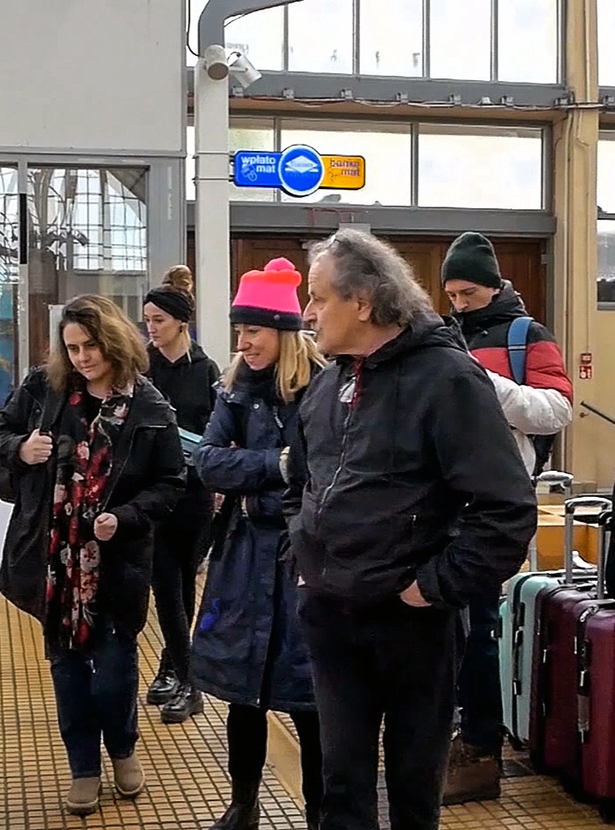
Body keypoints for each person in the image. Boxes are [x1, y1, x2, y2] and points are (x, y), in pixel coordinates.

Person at [283, 229, 537, 829]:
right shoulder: (327, 386)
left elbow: (505, 509)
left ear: (364, 302)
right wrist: (304, 550)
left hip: (413, 620)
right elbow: (301, 480)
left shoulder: (447, 380)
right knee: (341, 783)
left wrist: (434, 585)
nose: (307, 313)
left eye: (318, 297)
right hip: (331, 615)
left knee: (412, 785)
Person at [0, 294, 185, 816]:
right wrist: (20, 449)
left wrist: (126, 517)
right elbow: (2, 433)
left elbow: (171, 483)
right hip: (52, 559)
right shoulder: (43, 388)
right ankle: (84, 767)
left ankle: (121, 749)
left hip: (117, 563)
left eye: (91, 346)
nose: (80, 358)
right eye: (72, 347)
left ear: (114, 342)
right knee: (67, 669)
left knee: (117, 670)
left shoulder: (149, 408)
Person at [192, 258, 327, 830]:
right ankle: (242, 804)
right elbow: (207, 462)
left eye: (254, 330)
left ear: (284, 331)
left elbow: (324, 471)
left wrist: (257, 487)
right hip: (244, 563)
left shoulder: (323, 388)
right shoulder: (234, 390)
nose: (243, 342)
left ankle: (322, 812)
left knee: (311, 703)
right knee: (241, 693)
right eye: (239, 330)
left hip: (303, 561)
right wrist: (275, 463)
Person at [439, 231, 573, 804]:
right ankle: (456, 731)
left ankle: (480, 745)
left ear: (493, 286)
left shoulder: (526, 336)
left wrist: (490, 386)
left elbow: (558, 410)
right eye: (451, 294)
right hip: (441, 500)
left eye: (468, 293)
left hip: (495, 502)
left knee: (478, 628)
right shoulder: (443, 334)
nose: (460, 304)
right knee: (448, 626)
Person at [142, 265, 221, 723]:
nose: (151, 330)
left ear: (181, 323)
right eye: (147, 321)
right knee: (166, 585)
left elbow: (216, 432)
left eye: (159, 321)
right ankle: (188, 679)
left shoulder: (205, 370)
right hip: (154, 491)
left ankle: (172, 666)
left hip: (193, 494)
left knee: (181, 585)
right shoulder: (142, 368)